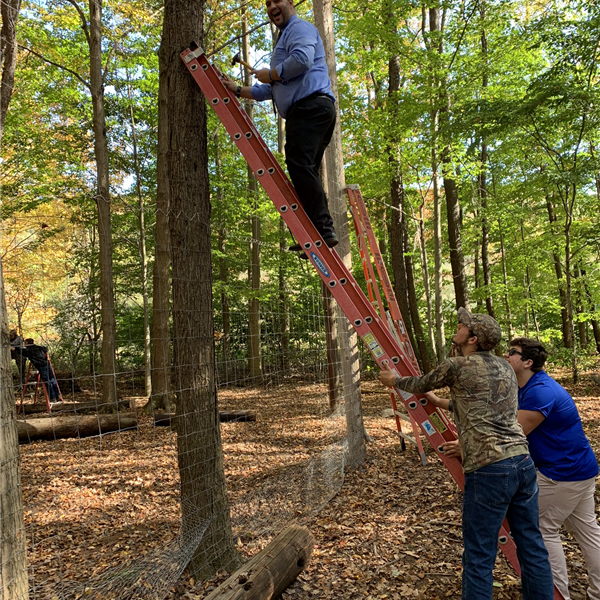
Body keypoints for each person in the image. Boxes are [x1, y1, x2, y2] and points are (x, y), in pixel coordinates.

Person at [378, 308, 554, 600]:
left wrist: (394, 381)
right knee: (532, 545)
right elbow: (481, 406)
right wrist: (440, 401)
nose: (457, 327)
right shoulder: (504, 367)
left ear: (472, 338)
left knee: (479, 554)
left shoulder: (456, 365)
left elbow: (420, 383)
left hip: (489, 469)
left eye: (462, 325)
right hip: (522, 463)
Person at [222, 0, 338, 251]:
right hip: (313, 109)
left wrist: (272, 73)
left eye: (277, 1)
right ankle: (318, 232)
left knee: (299, 165)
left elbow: (302, 60)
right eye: (268, 3)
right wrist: (239, 90)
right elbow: (273, 91)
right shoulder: (285, 37)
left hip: (309, 108)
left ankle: (323, 228)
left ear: (290, 3)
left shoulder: (299, 29)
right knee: (305, 171)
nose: (272, 6)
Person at [506, 338, 600, 600]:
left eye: (512, 353)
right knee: (587, 530)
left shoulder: (540, 391)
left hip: (563, 473)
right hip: (578, 468)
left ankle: (557, 594)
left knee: (541, 528)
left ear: (528, 362)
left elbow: (513, 433)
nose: (506, 355)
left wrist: (468, 446)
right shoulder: (526, 386)